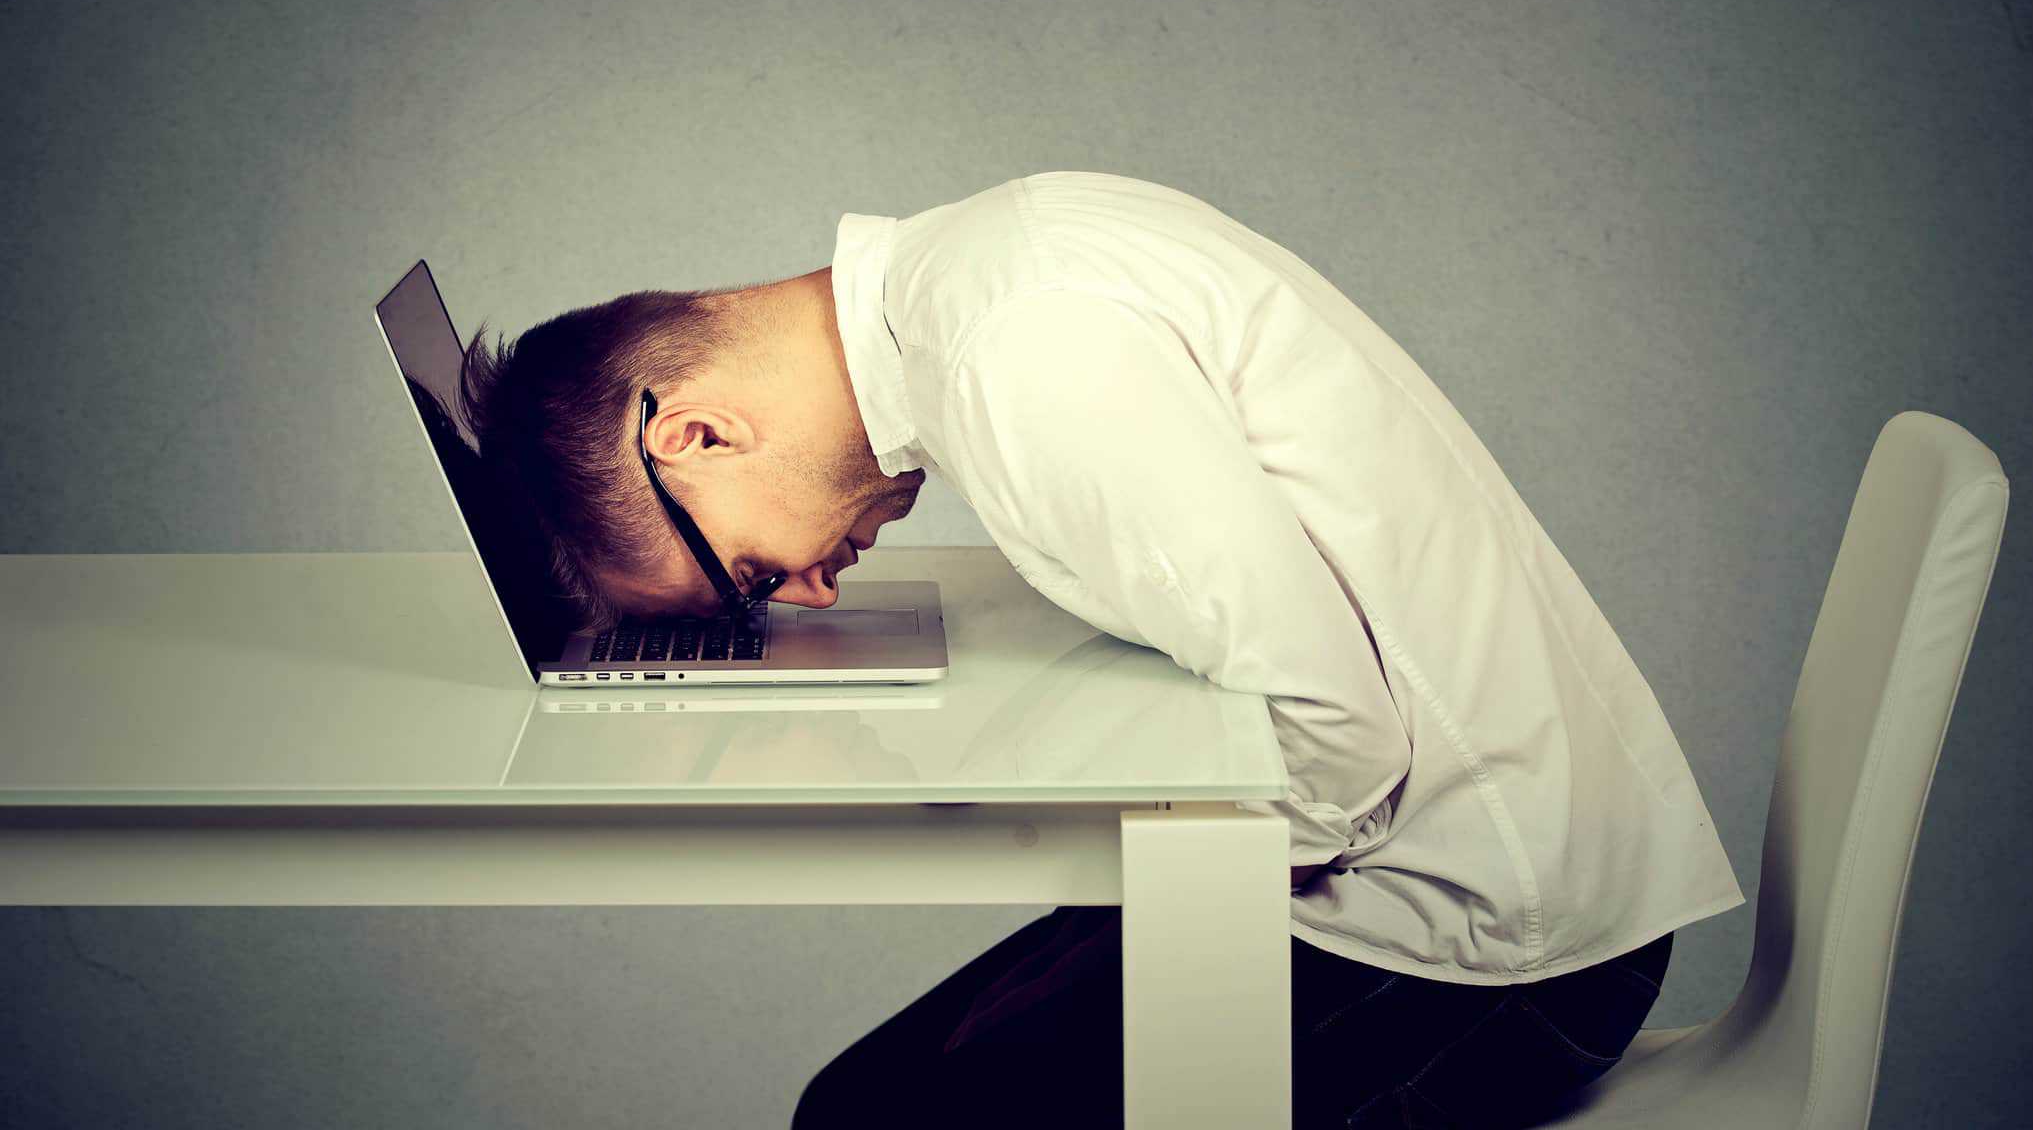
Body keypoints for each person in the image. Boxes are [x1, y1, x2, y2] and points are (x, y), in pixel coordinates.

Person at [457, 171, 1745, 1128]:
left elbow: (1339, 741)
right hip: (1420, 873)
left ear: (693, 437)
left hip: (1483, 946)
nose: (792, 598)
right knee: (858, 1105)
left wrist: (1048, 828)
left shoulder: (1027, 353)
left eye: (739, 579)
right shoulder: (978, 276)